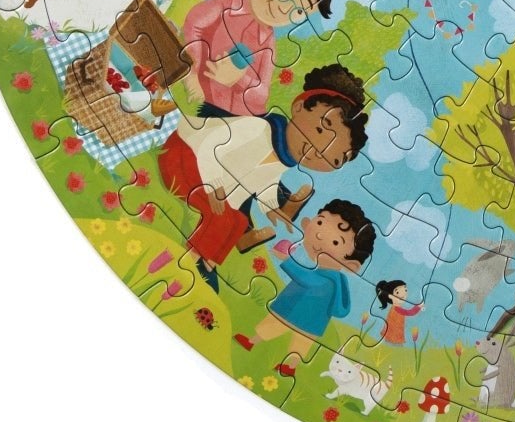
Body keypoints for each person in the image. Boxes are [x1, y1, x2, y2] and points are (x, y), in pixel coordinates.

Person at [158, 63, 369, 290]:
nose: (316, 151)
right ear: (299, 107)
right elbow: (210, 146)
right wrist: (214, 186)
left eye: (333, 159)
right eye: (320, 129)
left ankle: (207, 264)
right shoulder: (258, 128)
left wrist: (271, 208)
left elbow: (267, 183)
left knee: (238, 221)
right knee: (222, 218)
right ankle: (190, 260)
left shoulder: (283, 159)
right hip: (184, 154)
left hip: (204, 177)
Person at [179, 0, 336, 118]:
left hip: (243, 116)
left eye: (299, 11)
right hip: (210, 107)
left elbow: (262, 94)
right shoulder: (228, 5)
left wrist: (239, 78)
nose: (284, 9)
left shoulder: (267, 43)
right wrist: (194, 71)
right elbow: (193, 23)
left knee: (278, 123)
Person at [254, 200, 377, 358]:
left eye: (336, 242)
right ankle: (253, 342)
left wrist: (287, 260)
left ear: (351, 265)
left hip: (307, 318)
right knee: (277, 329)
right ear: (307, 224)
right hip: (302, 316)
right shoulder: (328, 276)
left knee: (297, 343)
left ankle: (287, 363)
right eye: (320, 222)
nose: (319, 235)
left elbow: (309, 281)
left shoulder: (330, 280)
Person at [374, 279, 423, 346]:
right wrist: (418, 307)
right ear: (391, 296)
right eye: (397, 292)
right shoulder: (397, 309)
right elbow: (410, 312)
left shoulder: (394, 308)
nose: (403, 294)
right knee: (393, 345)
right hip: (393, 336)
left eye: (405, 290)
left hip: (392, 334)